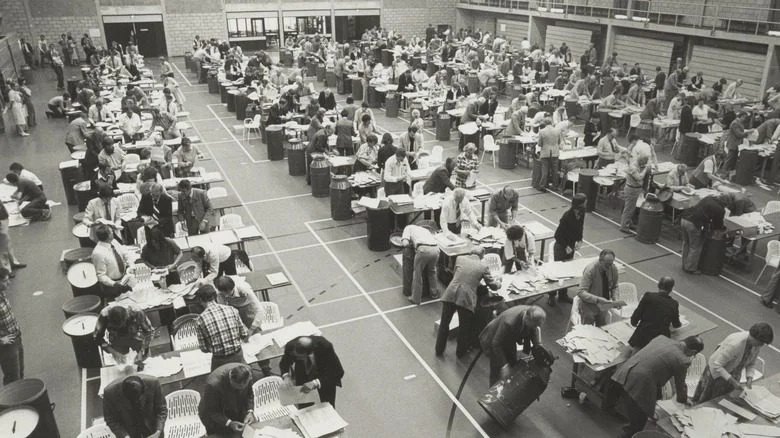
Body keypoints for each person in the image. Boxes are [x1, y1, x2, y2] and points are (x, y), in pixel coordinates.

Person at [606, 336, 703, 438]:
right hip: (640, 383)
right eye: (694, 354)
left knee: (654, 394)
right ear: (692, 351)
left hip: (626, 370)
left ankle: (610, 409)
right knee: (638, 424)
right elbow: (680, 384)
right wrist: (683, 399)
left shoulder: (661, 338)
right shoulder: (683, 361)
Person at [436, 247, 501, 357]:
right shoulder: (483, 266)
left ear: (470, 253)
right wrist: (499, 282)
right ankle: (460, 352)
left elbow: (459, 274)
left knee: (444, 323)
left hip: (451, 293)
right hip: (465, 297)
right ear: (482, 256)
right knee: (464, 326)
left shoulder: (459, 259)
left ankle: (439, 349)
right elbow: (493, 286)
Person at [693, 323, 773, 403]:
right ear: (754, 337)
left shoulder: (756, 345)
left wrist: (749, 378)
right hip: (716, 373)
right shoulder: (735, 344)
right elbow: (717, 365)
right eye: (761, 342)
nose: (762, 345)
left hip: (733, 373)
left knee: (722, 401)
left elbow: (751, 363)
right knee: (708, 401)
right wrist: (732, 381)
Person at [479, 305, 545, 385]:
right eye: (534, 325)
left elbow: (533, 330)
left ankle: (510, 388)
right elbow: (496, 344)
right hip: (493, 340)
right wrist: (504, 365)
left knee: (513, 364)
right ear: (527, 320)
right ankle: (493, 392)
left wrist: (538, 347)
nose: (536, 327)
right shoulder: (509, 323)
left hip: (509, 340)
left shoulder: (530, 314)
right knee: (497, 369)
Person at [279, 336, 345, 408]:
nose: (296, 359)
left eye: (299, 357)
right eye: (295, 356)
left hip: (323, 377)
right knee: (304, 407)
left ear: (309, 354)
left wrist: (315, 383)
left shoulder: (325, 347)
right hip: (303, 375)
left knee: (327, 407)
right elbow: (284, 363)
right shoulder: (291, 346)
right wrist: (286, 376)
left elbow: (338, 372)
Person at [195, 284, 249, 370]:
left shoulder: (200, 320)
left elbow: (204, 349)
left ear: (200, 300)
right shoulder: (232, 309)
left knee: (216, 380)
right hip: (237, 355)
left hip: (220, 360)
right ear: (215, 296)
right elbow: (244, 333)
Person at [199, 363, 262, 436]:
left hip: (236, 409)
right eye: (237, 387)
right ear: (231, 380)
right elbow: (212, 411)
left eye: (244, 387)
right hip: (215, 416)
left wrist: (250, 411)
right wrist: (229, 423)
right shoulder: (213, 385)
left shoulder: (248, 372)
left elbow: (249, 394)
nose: (242, 388)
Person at [628, 277, 681, 350]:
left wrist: (634, 323)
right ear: (671, 289)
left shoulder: (648, 296)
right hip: (660, 340)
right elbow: (676, 324)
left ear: (658, 285)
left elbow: (635, 317)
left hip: (642, 337)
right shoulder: (674, 304)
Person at [577, 250, 626, 326]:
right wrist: (598, 299)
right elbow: (581, 292)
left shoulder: (613, 268)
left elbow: (615, 286)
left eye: (611, 263)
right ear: (600, 260)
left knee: (602, 328)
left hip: (604, 306)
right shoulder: (590, 270)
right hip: (589, 306)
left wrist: (615, 299)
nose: (609, 267)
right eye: (607, 264)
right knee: (587, 330)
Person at [680, 195, 727, 274]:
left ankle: (684, 264)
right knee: (695, 247)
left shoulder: (709, 198)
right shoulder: (720, 209)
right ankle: (690, 268)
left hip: (684, 218)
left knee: (686, 243)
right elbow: (717, 225)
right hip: (694, 224)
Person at [91, 224, 134, 298]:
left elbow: (125, 253)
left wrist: (131, 266)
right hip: (112, 286)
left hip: (124, 278)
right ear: (108, 236)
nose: (113, 232)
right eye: (111, 232)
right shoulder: (98, 253)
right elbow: (101, 275)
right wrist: (114, 284)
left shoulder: (114, 241)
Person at [401, 224, 439, 304]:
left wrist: (410, 244)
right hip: (436, 249)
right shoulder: (425, 230)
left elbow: (405, 243)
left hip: (423, 249)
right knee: (432, 271)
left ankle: (415, 298)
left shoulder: (407, 228)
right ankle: (434, 293)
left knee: (417, 273)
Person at [0, 269, 22, 384]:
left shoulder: (2, 293)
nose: (9, 283)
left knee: (20, 373)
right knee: (13, 378)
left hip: (16, 337)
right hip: (7, 346)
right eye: (5, 281)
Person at [619, 156, 650, 233]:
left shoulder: (638, 165)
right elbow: (639, 177)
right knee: (629, 209)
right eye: (644, 163)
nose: (645, 164)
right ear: (641, 160)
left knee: (631, 208)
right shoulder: (633, 167)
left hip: (635, 189)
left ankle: (628, 223)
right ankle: (624, 226)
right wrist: (645, 169)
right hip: (631, 189)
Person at [535, 118, 561, 191]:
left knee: (545, 171)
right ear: (552, 122)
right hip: (555, 152)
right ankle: (555, 186)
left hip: (545, 152)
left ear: (544, 123)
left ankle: (542, 186)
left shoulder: (542, 131)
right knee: (555, 171)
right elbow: (559, 142)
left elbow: (540, 144)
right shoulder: (557, 130)